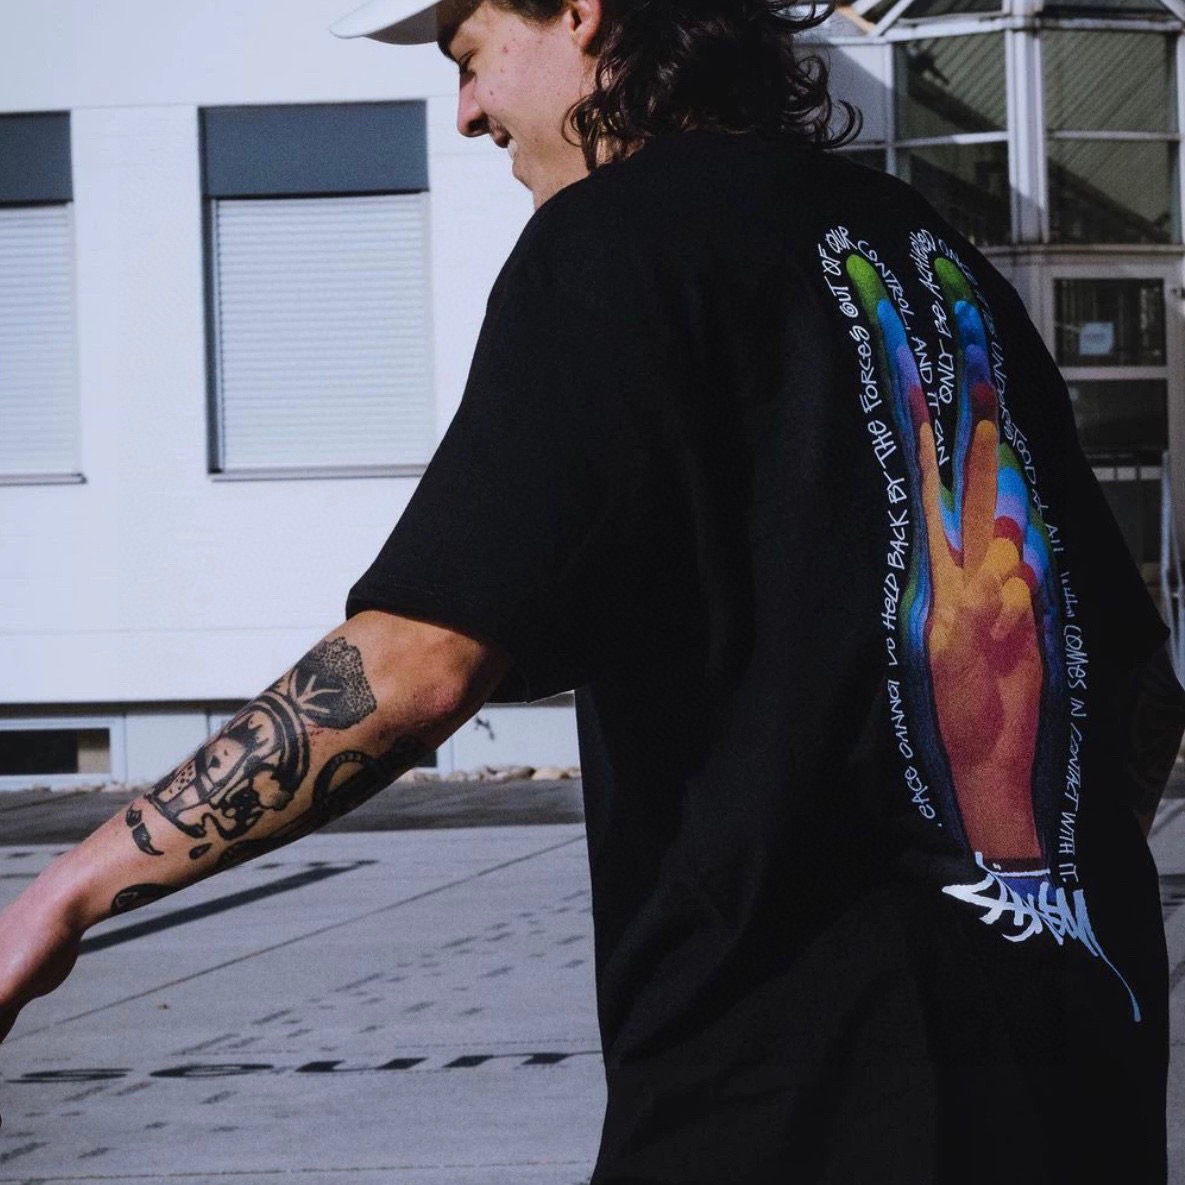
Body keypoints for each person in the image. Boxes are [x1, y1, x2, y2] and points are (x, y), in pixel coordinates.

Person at [1, 0, 1183, 1180]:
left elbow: (418, 664)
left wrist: (67, 892)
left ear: (580, 13)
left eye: (471, 59)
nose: (467, 114)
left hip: (796, 1090)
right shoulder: (920, 243)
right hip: (1078, 1063)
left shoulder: (614, 238)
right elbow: (1138, 690)